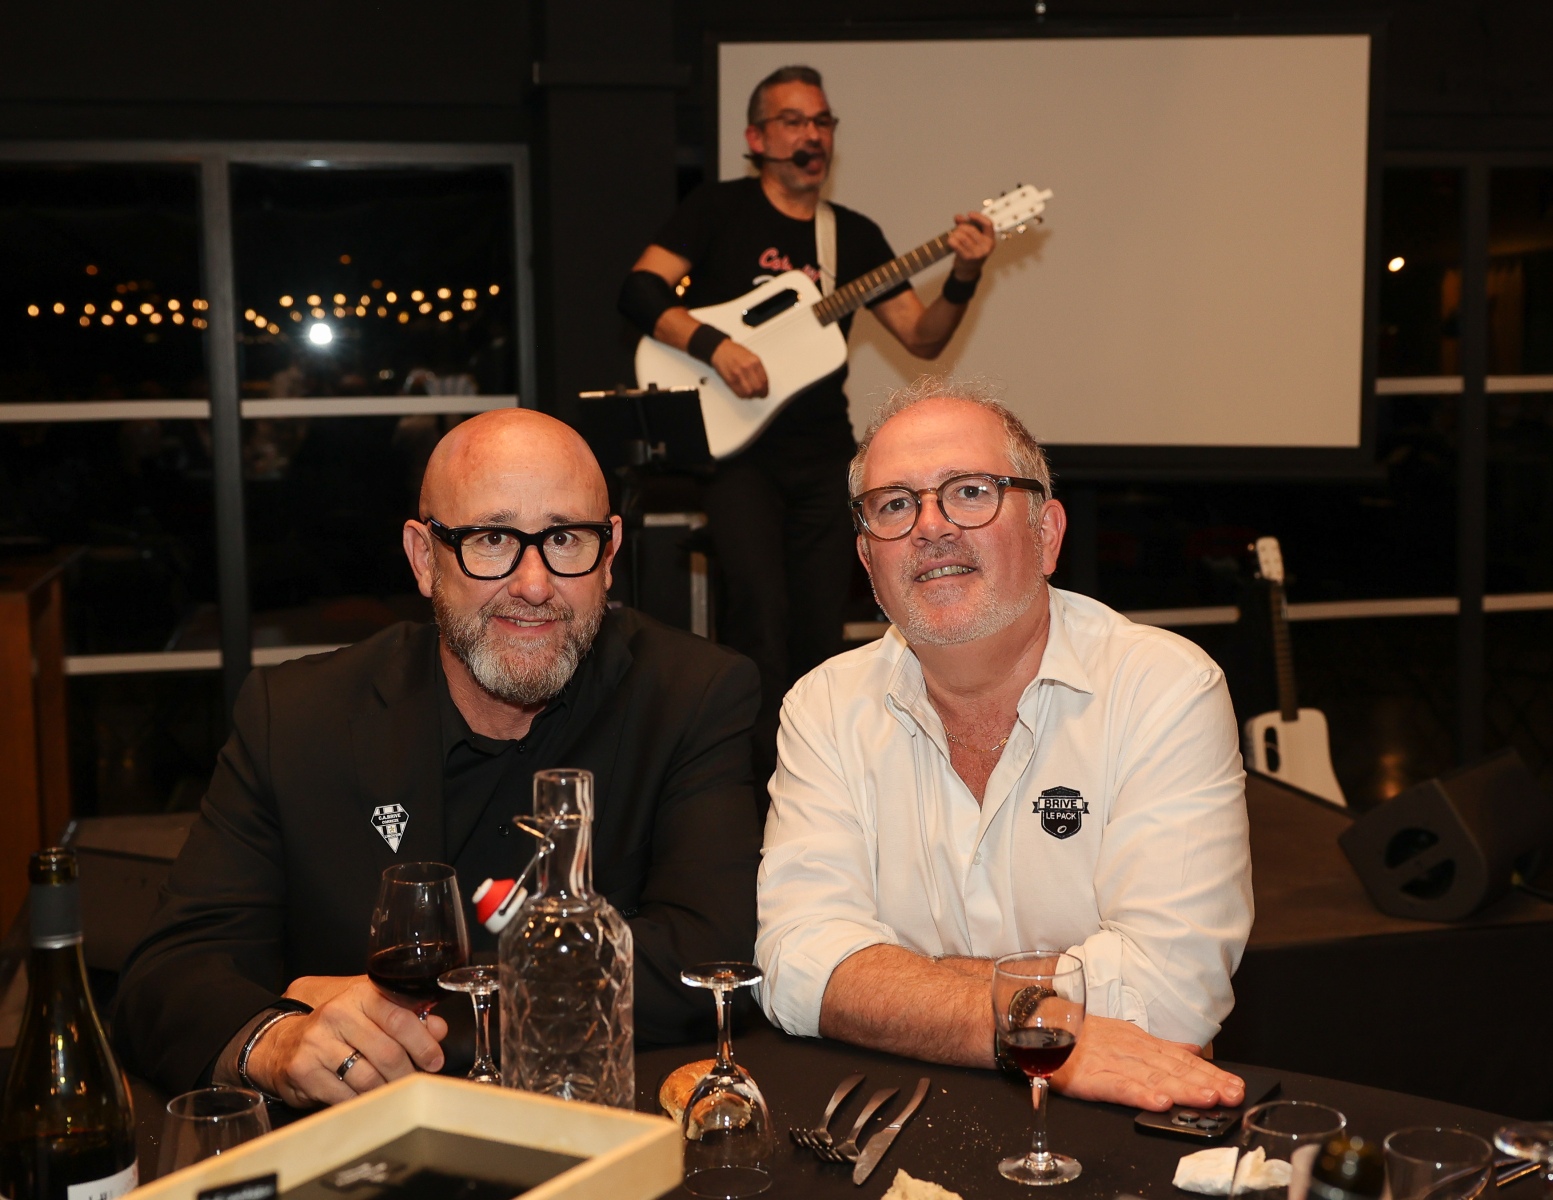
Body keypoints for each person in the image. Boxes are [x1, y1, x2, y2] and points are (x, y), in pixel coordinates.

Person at [116, 409, 763, 1107]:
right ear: (424, 558)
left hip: (598, 1128)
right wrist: (274, 1042)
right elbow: (168, 977)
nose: (534, 583)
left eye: (564, 538)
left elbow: (709, 962)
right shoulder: (298, 716)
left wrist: (410, 1019)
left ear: (609, 555)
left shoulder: (693, 696)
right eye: (492, 539)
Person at [755, 376, 1254, 1111]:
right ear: (867, 562)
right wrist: (1033, 1010)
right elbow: (796, 966)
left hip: (1106, 1124)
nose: (930, 527)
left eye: (970, 492)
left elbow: (1173, 995)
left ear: (1046, 534)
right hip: (896, 1115)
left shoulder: (1163, 688)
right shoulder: (823, 708)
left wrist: (902, 983)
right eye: (894, 505)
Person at [619, 64, 997, 791]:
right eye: (793, 121)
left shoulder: (850, 236)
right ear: (757, 138)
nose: (812, 135)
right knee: (758, 618)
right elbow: (639, 289)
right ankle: (748, 785)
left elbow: (922, 337)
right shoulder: (718, 209)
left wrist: (964, 272)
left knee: (820, 627)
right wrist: (714, 346)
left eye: (822, 122)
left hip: (824, 456)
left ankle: (819, 782)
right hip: (739, 459)